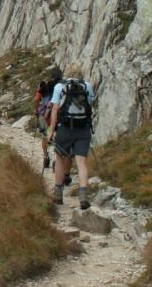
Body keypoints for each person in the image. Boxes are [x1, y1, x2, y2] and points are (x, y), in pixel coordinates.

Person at [47, 63, 95, 209]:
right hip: (83, 129)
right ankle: (83, 196)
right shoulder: (86, 86)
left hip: (65, 129)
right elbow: (90, 103)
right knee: (81, 162)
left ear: (67, 73)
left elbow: (55, 109)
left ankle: (58, 195)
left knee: (60, 160)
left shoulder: (59, 87)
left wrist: (51, 130)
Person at [33, 67, 62, 169]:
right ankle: (56, 160)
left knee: (45, 136)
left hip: (45, 116)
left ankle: (46, 157)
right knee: (57, 136)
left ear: (51, 76)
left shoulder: (44, 85)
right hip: (58, 115)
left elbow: (36, 99)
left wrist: (36, 110)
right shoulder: (62, 86)